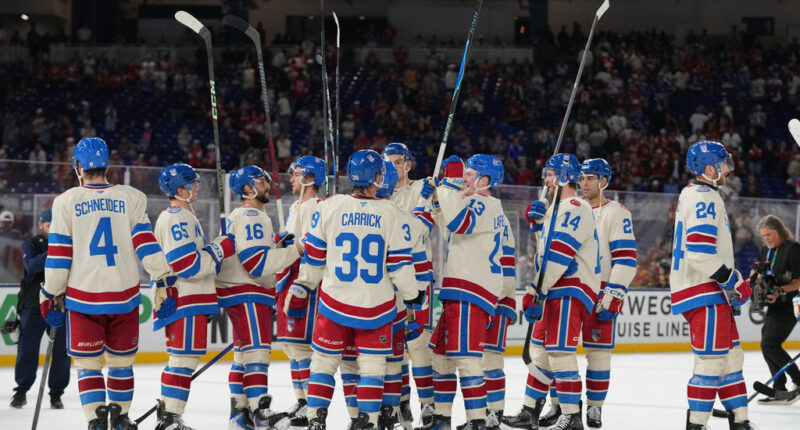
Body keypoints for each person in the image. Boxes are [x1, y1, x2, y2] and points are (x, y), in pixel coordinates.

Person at [283, 149, 425, 430]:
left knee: (324, 363)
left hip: (334, 302)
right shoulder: (390, 212)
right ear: (377, 177)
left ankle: (315, 418)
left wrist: (303, 284)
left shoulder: (329, 205)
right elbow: (399, 265)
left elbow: (314, 256)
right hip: (377, 306)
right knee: (372, 368)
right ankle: (368, 421)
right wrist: (413, 295)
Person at [41, 137, 173, 430]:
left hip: (83, 299)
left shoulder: (65, 202)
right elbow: (146, 244)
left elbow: (59, 256)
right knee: (121, 364)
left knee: (88, 367)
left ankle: (96, 421)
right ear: (107, 165)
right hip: (124, 298)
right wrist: (164, 278)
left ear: (78, 167)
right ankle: (121, 418)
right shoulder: (132, 196)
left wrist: (50, 293)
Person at [415, 154, 513, 430]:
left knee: (466, 358)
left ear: (484, 181)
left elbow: (460, 223)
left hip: (471, 290)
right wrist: (435, 199)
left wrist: (447, 185)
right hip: (457, 290)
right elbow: (448, 224)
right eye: (464, 173)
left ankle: (477, 421)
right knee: (442, 356)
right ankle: (443, 419)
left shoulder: (487, 203)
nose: (464, 179)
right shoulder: (474, 202)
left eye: (469, 174)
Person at [503, 153, 600, 430]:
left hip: (570, 288)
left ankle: (572, 416)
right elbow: (546, 253)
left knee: (560, 352)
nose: (545, 179)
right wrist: (538, 227)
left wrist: (537, 289)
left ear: (565, 177)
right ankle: (529, 411)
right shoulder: (558, 209)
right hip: (556, 287)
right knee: (542, 356)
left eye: (550, 174)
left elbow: (560, 254)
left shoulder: (575, 206)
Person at [669, 141, 755, 429]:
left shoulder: (696, 194)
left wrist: (731, 283)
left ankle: (740, 422)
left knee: (731, 360)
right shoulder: (704, 196)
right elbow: (700, 253)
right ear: (709, 168)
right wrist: (733, 281)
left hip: (709, 292)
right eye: (723, 164)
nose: (727, 169)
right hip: (704, 291)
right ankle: (696, 425)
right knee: (711, 364)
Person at [152, 163, 236, 429]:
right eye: (192, 184)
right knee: (182, 361)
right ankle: (171, 418)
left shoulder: (182, 215)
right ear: (180, 189)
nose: (197, 187)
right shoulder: (178, 217)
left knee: (181, 359)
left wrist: (214, 251)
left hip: (188, 299)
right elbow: (187, 264)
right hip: (185, 298)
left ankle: (168, 415)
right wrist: (218, 249)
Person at [218, 165, 302, 430]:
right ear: (247, 189)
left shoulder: (244, 215)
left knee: (243, 355)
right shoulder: (253, 215)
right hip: (249, 291)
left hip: (239, 290)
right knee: (257, 352)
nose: (268, 185)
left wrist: (276, 243)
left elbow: (254, 253)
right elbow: (256, 263)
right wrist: (295, 250)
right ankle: (260, 412)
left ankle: (239, 414)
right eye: (262, 181)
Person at [383, 142, 435, 427]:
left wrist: (432, 198)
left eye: (398, 161)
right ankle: (401, 402)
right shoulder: (380, 195)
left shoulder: (421, 187)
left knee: (418, 342)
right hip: (388, 278)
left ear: (409, 164)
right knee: (394, 344)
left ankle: (427, 403)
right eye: (388, 162)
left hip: (419, 274)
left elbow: (427, 225)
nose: (394, 166)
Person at [273, 155, 326, 429]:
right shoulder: (296, 206)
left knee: (304, 348)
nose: (291, 179)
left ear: (309, 179)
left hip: (304, 282)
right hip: (288, 278)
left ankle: (311, 405)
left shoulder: (316, 206)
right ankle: (302, 400)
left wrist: (302, 283)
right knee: (294, 348)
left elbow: (312, 246)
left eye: (295, 175)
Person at [11, 208, 70, 410]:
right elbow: (32, 265)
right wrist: (57, 249)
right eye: (48, 225)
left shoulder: (68, 244)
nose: (52, 229)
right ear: (41, 225)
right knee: (27, 350)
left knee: (62, 353)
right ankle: (21, 391)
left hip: (61, 305)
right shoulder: (31, 244)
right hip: (33, 306)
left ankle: (56, 394)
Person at [752, 215, 800, 404]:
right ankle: (779, 388)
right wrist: (756, 278)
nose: (766, 239)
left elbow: (798, 281)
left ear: (778, 231)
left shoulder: (794, 249)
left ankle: (797, 380)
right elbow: (755, 268)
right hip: (775, 304)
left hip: (790, 304)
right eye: (763, 236)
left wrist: (780, 290)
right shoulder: (766, 250)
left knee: (770, 344)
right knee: (767, 343)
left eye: (769, 235)